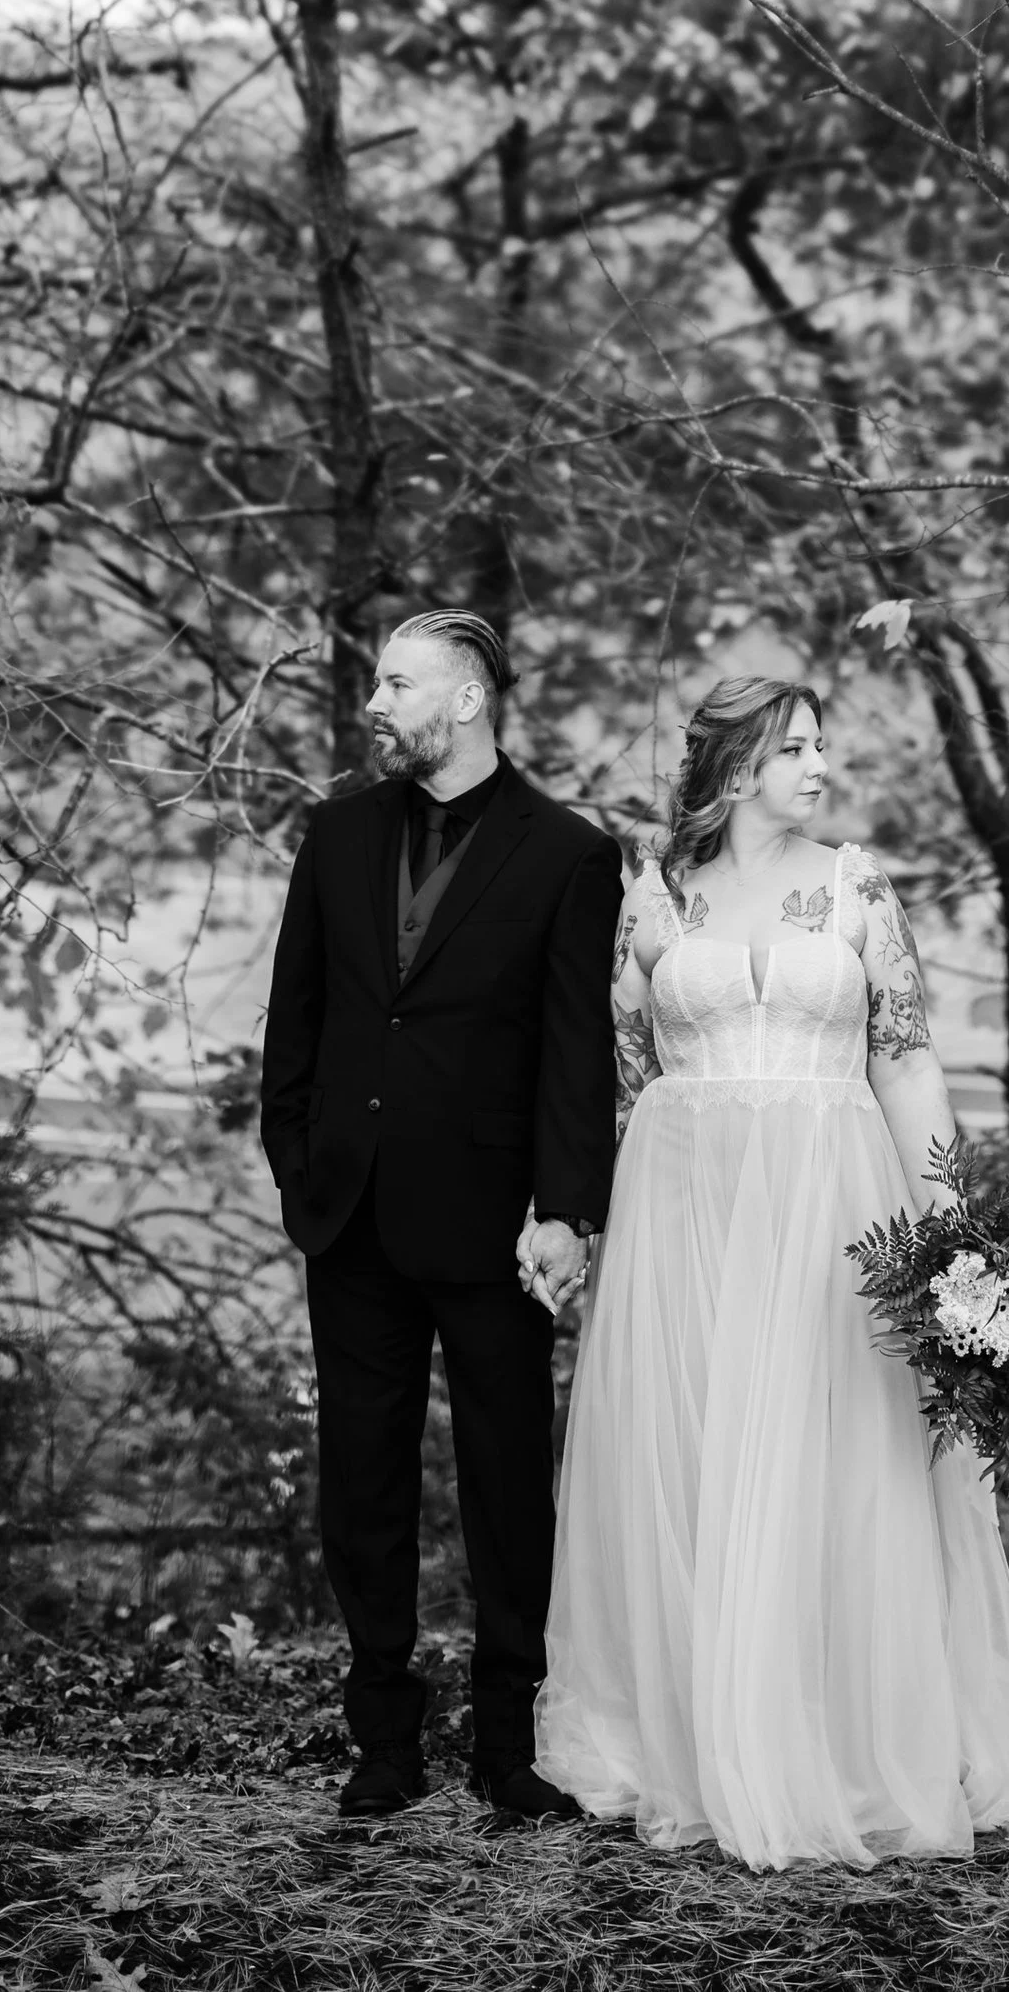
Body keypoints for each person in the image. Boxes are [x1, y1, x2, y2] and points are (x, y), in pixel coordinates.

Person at [535, 673, 1009, 1868]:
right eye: (796, 746)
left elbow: (904, 1062)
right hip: (685, 1214)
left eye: (822, 744)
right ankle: (700, 1724)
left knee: (834, 1449)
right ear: (736, 765)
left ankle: (844, 1730)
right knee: (694, 1455)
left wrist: (956, 1238)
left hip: (836, 1207)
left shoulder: (858, 885)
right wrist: (583, 1220)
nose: (820, 765)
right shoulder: (650, 893)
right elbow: (624, 1071)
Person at [259, 609, 623, 1822]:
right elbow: (295, 1019)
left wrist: (566, 1209)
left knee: (508, 1484)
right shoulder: (338, 831)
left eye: (396, 680)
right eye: (376, 676)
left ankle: (510, 1741)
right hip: (349, 1213)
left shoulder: (568, 852)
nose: (375, 698)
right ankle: (384, 1738)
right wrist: (296, 1162)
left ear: (465, 698)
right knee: (360, 1482)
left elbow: (576, 1051)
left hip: (492, 1230)